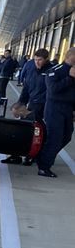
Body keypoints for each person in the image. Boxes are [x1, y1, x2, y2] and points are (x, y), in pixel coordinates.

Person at [3, 48, 51, 165]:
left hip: (45, 106)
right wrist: (19, 104)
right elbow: (26, 89)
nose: (37, 62)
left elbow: (52, 91)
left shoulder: (51, 72)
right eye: (35, 60)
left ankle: (33, 155)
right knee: (23, 130)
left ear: (46, 59)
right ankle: (17, 155)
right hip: (32, 105)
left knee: (38, 132)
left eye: (40, 60)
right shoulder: (32, 71)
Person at [35, 47, 75, 178]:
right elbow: (52, 90)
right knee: (55, 138)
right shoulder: (55, 70)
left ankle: (43, 156)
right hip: (55, 108)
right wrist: (69, 78)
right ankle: (44, 166)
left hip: (68, 109)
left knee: (66, 137)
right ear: (71, 56)